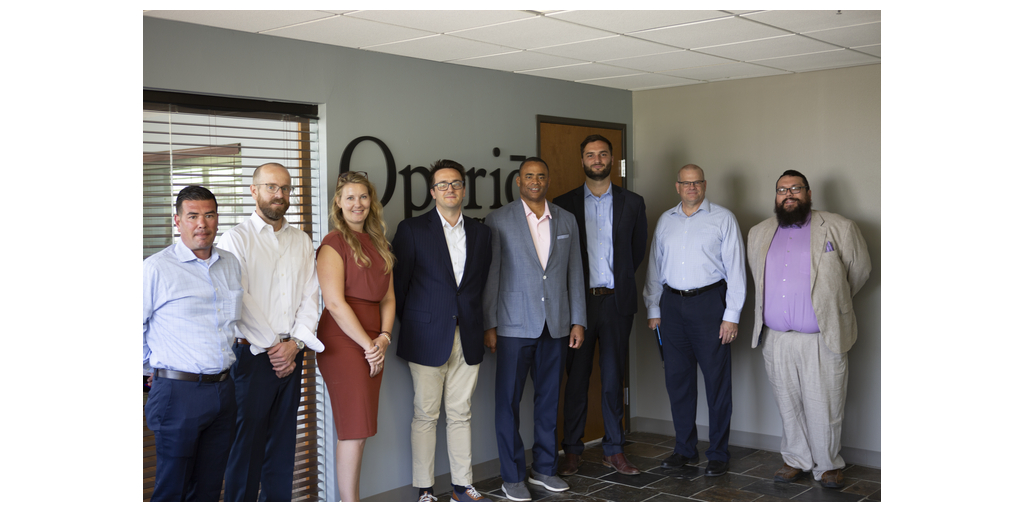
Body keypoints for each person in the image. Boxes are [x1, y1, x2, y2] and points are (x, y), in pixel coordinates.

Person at [746, 170, 870, 489]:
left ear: (809, 193)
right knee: (787, 403)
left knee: (825, 404)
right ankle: (796, 459)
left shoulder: (839, 227)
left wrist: (831, 304)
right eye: (782, 190)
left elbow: (859, 271)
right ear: (776, 196)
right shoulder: (759, 232)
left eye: (796, 188)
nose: (788, 194)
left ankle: (828, 465)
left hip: (821, 336)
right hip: (776, 338)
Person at [218, 163, 325, 501]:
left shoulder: (301, 240)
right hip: (252, 357)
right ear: (254, 191)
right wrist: (274, 347)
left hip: (292, 355)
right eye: (271, 187)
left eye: (285, 188)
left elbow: (311, 296)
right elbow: (240, 299)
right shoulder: (236, 239)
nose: (279, 194)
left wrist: (294, 344)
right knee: (245, 449)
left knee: (282, 446)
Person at [483, 157, 586, 502]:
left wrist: (578, 320)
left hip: (556, 324)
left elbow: (575, 273)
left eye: (541, 176)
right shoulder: (498, 220)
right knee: (508, 403)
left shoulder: (566, 219)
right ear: (518, 181)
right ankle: (512, 477)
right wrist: (490, 324)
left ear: (548, 180)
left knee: (548, 400)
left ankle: (544, 469)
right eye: (529, 176)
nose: (535, 181)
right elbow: (492, 276)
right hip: (513, 325)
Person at [392, 159, 493, 502]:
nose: (450, 189)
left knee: (461, 413)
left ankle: (462, 487)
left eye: (456, 183)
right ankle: (425, 489)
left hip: (469, 334)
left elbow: (480, 286)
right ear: (433, 192)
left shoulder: (481, 232)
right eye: (443, 185)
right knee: (425, 415)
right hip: (426, 336)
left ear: (464, 189)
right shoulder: (412, 230)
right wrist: (420, 322)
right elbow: (400, 287)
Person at [552, 135, 647, 476]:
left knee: (612, 379)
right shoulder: (563, 204)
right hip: (579, 305)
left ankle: (614, 449)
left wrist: (617, 280)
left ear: (611, 159)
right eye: (590, 155)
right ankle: (572, 450)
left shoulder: (633, 202)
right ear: (582, 160)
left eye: (603, 154)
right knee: (576, 379)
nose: (597, 159)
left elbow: (636, 251)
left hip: (617, 303)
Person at [643, 164, 745, 478]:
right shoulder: (665, 220)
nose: (691, 187)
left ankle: (718, 453)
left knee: (717, 383)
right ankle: (684, 450)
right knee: (678, 382)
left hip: (710, 304)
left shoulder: (723, 218)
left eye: (697, 182)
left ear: (704, 185)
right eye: (686, 183)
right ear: (677, 187)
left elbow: (736, 270)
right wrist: (653, 308)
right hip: (671, 307)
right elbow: (655, 266)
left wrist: (731, 316)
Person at [143, 185, 243, 501]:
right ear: (177, 220)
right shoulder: (156, 268)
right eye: (193, 216)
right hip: (178, 394)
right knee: (172, 491)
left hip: (224, 390)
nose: (202, 224)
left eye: (209, 215)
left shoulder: (230, 263)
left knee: (209, 490)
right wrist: (150, 367)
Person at [315, 171, 396, 502]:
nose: (357, 203)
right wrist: (368, 346)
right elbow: (334, 303)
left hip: (373, 341)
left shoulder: (380, 243)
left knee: (360, 429)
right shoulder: (333, 243)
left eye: (363, 196)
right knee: (354, 429)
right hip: (343, 341)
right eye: (349, 197)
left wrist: (384, 338)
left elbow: (388, 298)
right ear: (338, 202)